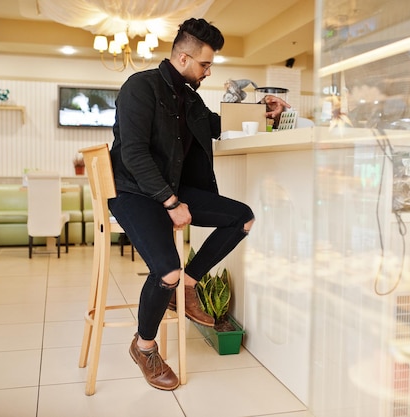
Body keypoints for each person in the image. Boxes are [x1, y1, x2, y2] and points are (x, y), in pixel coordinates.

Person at [108, 17, 289, 391]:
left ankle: (187, 285)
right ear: (185, 57)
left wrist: (266, 113)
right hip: (134, 193)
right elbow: (135, 155)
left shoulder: (189, 97)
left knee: (242, 218)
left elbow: (217, 125)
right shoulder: (139, 88)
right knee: (165, 270)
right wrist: (171, 201)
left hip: (170, 190)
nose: (209, 72)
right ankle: (144, 347)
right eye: (206, 64)